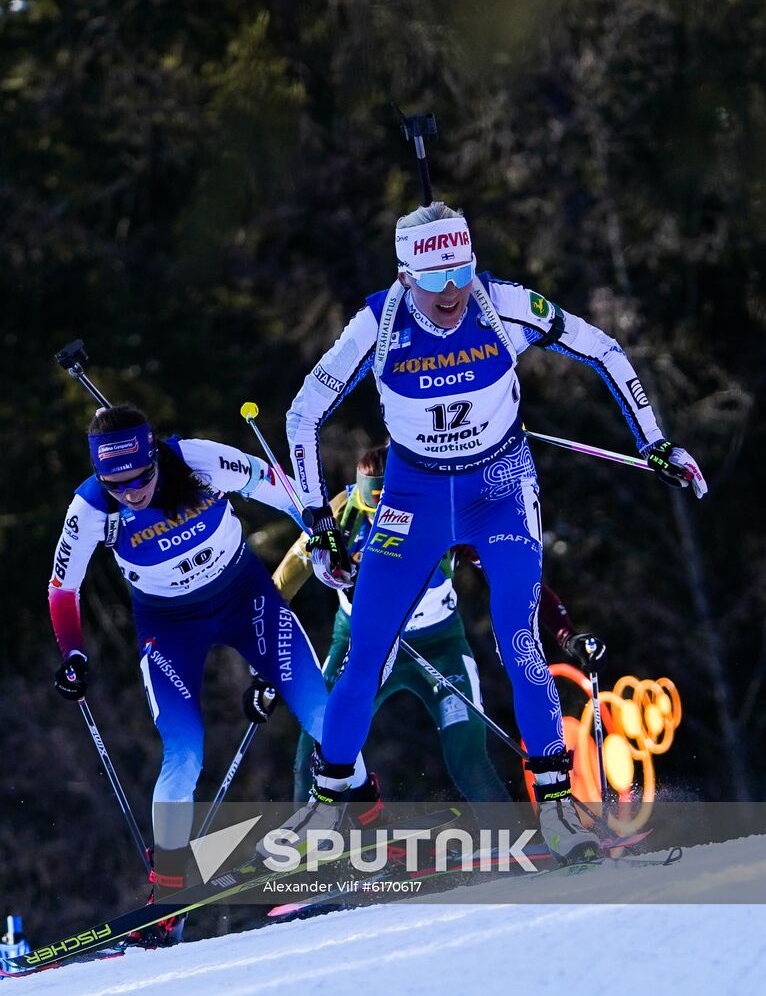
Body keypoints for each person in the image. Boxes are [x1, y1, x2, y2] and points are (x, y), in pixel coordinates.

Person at [283, 201, 706, 863]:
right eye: (435, 279)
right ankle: (331, 804)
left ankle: (560, 809)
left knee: (518, 638)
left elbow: (603, 348)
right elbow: (303, 412)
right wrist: (317, 520)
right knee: (365, 649)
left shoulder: (502, 304)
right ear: (404, 275)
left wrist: (655, 439)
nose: (452, 294)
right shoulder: (378, 322)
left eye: (461, 274)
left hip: (499, 490)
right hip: (414, 497)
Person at [48, 404, 374, 945]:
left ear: (155, 457)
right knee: (184, 751)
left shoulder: (197, 461)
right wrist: (74, 652)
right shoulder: (89, 507)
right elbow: (63, 587)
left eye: (141, 479)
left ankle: (374, 829)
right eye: (116, 484)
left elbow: (277, 485)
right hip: (168, 624)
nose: (130, 493)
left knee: (321, 710)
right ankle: (169, 897)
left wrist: (319, 531)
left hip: (245, 597)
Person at [274, 444, 607, 811]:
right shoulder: (341, 513)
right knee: (317, 736)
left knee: (465, 749)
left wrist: (564, 632)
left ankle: (512, 838)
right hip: (361, 643)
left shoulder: (445, 511)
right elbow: (282, 584)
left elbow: (519, 580)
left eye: (395, 511)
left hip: (438, 645)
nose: (387, 521)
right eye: (377, 512)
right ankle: (310, 841)